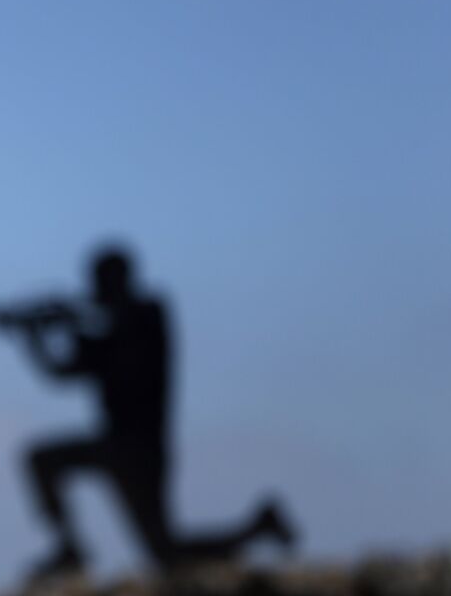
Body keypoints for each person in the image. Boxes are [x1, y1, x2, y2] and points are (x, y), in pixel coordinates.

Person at [22, 246, 295, 576]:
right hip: (118, 446)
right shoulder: (113, 329)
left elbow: (115, 352)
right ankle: (69, 547)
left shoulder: (148, 315)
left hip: (139, 449)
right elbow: (64, 372)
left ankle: (256, 530)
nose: (94, 291)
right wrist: (33, 339)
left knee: (165, 553)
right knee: (163, 551)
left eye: (100, 282)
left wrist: (71, 329)